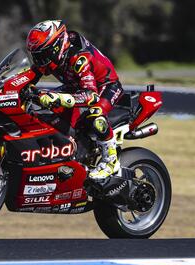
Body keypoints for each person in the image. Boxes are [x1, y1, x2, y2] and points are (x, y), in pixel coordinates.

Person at [26, 20, 124, 181]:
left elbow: (91, 96)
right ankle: (67, 149)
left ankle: (111, 161)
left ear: (56, 47)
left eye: (42, 55)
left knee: (96, 114)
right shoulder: (50, 58)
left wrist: (58, 98)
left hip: (105, 87)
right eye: (36, 56)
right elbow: (28, 77)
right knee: (38, 107)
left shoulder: (79, 58)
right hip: (76, 86)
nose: (39, 60)